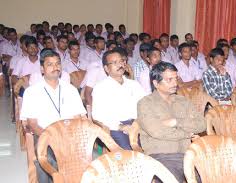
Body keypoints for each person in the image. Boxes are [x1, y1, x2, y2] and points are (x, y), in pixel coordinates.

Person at [20, 49, 86, 183]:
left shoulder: (71, 90)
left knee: (91, 156)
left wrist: (71, 137)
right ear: (42, 69)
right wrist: (51, 137)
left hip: (70, 135)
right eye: (50, 64)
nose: (55, 67)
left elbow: (78, 118)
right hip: (44, 135)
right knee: (49, 158)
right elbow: (32, 124)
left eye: (58, 64)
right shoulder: (32, 92)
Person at [137, 61, 205, 183]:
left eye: (176, 78)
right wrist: (187, 134)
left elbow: (201, 124)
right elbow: (157, 131)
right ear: (156, 83)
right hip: (161, 156)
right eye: (169, 80)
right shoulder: (145, 103)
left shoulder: (183, 101)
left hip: (187, 154)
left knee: (210, 174)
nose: (175, 83)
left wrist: (176, 121)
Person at [92, 49, 145, 149]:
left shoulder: (134, 84)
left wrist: (137, 122)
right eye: (115, 62)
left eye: (121, 61)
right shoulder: (101, 88)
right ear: (106, 69)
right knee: (129, 152)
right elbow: (98, 116)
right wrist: (122, 127)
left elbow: (145, 104)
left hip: (138, 123)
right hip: (117, 127)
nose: (120, 64)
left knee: (157, 142)